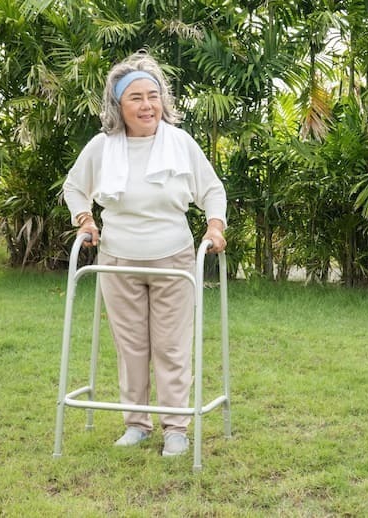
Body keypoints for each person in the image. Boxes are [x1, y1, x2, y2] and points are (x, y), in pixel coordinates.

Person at [63, 50, 227, 457]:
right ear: (118, 105)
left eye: (152, 96)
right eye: (135, 97)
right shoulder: (103, 146)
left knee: (171, 347)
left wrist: (215, 225)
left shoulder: (181, 143)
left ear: (163, 101)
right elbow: (74, 186)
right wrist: (85, 220)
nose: (146, 105)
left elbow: (212, 190)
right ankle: (136, 423)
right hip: (118, 259)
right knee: (131, 346)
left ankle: (176, 428)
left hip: (173, 259)